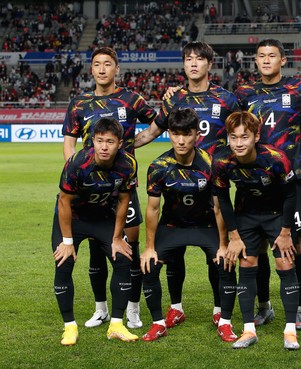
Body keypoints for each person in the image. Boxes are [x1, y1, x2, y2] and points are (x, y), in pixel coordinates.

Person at [136, 41, 241, 329]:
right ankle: (176, 307)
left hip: (214, 184)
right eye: (188, 59)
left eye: (199, 59)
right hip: (176, 185)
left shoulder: (226, 99)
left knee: (216, 256)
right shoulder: (173, 100)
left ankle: (220, 309)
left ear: (210, 64)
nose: (193, 64)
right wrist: (122, 147)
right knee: (175, 252)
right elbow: (151, 132)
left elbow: (244, 131)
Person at [62, 46, 157, 330]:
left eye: (107, 64)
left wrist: (133, 144)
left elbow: (157, 124)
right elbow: (69, 141)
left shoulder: (131, 98)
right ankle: (101, 308)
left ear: (116, 69)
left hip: (122, 185)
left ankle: (133, 308)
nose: (102, 69)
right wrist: (74, 171)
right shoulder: (79, 103)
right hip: (90, 188)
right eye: (97, 64)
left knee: (130, 246)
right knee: (96, 247)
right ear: (91, 69)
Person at [234, 38, 301, 331]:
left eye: (272, 55)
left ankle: (298, 310)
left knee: (294, 245)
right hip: (253, 178)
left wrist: (300, 142)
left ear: (283, 60)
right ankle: (264, 306)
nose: (266, 60)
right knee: (253, 246)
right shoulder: (245, 93)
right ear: (255, 61)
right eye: (261, 56)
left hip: (290, 179)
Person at [139, 108, 237, 342]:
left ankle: (223, 319)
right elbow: (153, 209)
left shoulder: (211, 164)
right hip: (172, 225)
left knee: (224, 263)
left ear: (197, 134)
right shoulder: (159, 166)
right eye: (175, 134)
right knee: (149, 266)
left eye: (187, 134)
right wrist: (149, 247)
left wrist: (224, 244)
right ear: (169, 134)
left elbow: (218, 207)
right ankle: (160, 321)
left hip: (205, 225)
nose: (181, 140)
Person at [213, 111, 300, 350]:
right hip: (246, 216)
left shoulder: (276, 158)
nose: (239, 143)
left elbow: (291, 195)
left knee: (286, 263)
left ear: (256, 136)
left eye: (244, 137)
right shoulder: (221, 162)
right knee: (247, 265)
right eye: (234, 137)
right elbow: (223, 199)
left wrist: (285, 231)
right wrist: (233, 235)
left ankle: (290, 330)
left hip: (276, 215)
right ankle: (249, 330)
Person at [53, 117, 139, 346]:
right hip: (74, 218)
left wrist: (117, 237)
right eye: (99, 141)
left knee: (123, 259)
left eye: (110, 141)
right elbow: (64, 201)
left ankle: (117, 325)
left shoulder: (128, 164)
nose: (104, 146)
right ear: (92, 142)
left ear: (120, 143)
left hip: (103, 217)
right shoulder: (77, 163)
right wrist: (68, 241)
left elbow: (123, 200)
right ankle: (70, 327)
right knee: (64, 261)